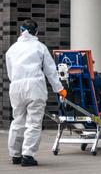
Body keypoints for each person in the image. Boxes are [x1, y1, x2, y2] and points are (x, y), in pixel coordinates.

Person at [6, 19, 67, 166]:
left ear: (21, 31)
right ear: (36, 32)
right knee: (33, 122)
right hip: (34, 87)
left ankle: (15, 155)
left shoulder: (12, 49)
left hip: (16, 87)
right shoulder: (40, 47)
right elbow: (50, 71)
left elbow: (10, 72)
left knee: (18, 120)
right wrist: (59, 89)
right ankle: (28, 155)